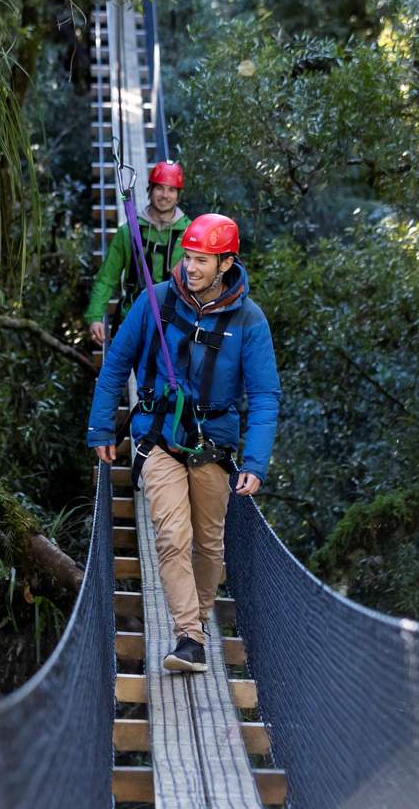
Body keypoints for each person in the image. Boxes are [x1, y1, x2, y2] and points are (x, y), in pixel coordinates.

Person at [87, 213, 281, 673]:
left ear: (226, 264)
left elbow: (265, 395)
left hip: (213, 445)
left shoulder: (249, 320)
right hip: (159, 438)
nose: (190, 267)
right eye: (188, 257)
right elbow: (116, 363)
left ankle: (198, 621)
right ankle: (189, 636)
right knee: (174, 536)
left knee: (209, 545)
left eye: (202, 260)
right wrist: (100, 427)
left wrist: (255, 461)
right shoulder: (156, 301)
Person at [85, 161, 191, 345]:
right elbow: (106, 278)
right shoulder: (128, 232)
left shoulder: (190, 234)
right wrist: (96, 316)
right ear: (150, 190)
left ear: (178, 196)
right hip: (134, 319)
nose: (165, 195)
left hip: (174, 324)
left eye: (171, 190)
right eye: (160, 188)